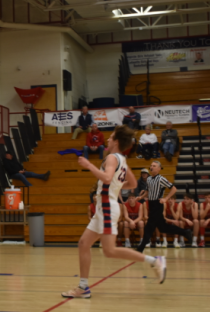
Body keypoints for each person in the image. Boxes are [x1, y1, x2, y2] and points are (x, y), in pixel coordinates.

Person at [60, 126, 167, 300]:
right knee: (83, 244)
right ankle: (83, 287)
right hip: (104, 208)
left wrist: (88, 165)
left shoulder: (111, 157)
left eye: (110, 138)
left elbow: (108, 178)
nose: (107, 140)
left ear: (116, 142)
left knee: (109, 251)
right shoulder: (122, 160)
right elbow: (132, 183)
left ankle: (154, 261)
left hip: (108, 207)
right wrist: (116, 186)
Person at [136, 161, 192, 252]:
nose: (151, 167)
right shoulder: (149, 179)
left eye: (154, 166)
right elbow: (147, 192)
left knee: (149, 226)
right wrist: (141, 197)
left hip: (158, 204)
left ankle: (141, 247)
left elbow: (174, 188)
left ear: (159, 169)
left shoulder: (161, 179)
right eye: (151, 165)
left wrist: (166, 199)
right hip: (151, 204)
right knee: (163, 228)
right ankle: (185, 232)